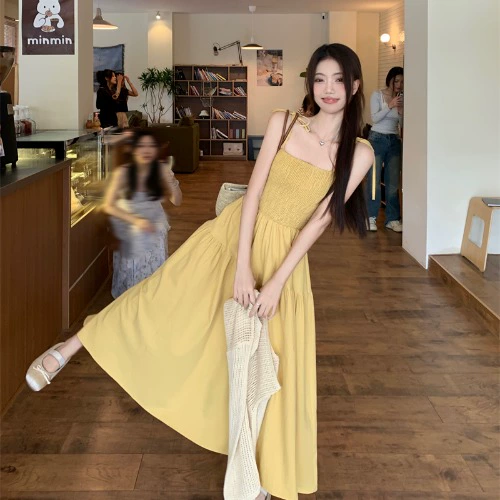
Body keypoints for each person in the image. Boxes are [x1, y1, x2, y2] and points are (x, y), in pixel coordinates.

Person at [25, 44, 374, 500]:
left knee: (269, 367)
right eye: (320, 79)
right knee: (165, 296)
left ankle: (257, 473)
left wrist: (276, 282)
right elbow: (253, 195)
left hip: (286, 262)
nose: (329, 89)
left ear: (355, 86)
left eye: (339, 80)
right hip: (234, 239)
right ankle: (72, 346)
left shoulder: (360, 153)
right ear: (310, 83)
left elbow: (319, 222)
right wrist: (243, 267)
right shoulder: (284, 123)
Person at [104, 130, 182, 298]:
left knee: (154, 275)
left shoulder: (159, 170)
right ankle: (129, 300)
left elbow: (177, 201)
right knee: (131, 276)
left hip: (155, 227)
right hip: (129, 228)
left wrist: (172, 181)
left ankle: (151, 298)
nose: (146, 150)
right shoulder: (123, 172)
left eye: (151, 146)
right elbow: (109, 206)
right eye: (141, 146)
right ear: (133, 149)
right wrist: (136, 221)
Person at [365, 66, 404, 232]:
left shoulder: (403, 99)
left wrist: (401, 112)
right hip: (377, 139)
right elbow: (374, 118)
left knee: (393, 182)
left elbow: (402, 125)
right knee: (373, 180)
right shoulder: (377, 95)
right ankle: (370, 217)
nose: (399, 85)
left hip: (394, 140)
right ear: (390, 80)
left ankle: (392, 219)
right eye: (396, 81)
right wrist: (390, 105)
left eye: (402, 82)